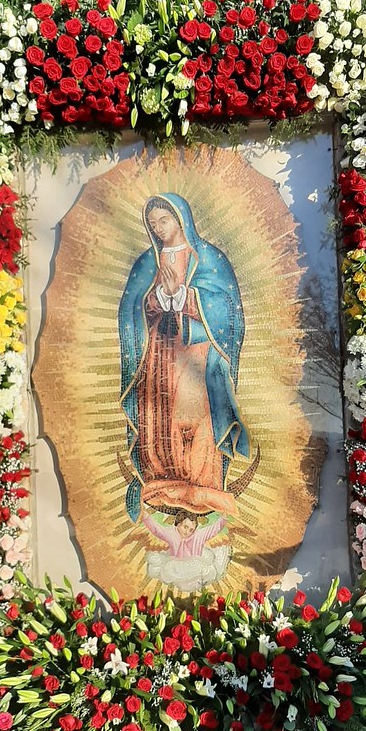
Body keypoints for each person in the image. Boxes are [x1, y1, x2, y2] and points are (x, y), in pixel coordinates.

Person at [118, 193, 250, 523]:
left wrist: (186, 295)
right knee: (158, 413)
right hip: (159, 351)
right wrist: (157, 298)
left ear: (181, 218)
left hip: (194, 352)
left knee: (194, 413)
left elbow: (227, 308)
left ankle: (202, 480)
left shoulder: (207, 258)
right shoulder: (148, 263)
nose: (159, 228)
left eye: (164, 220)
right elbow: (132, 310)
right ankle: (161, 476)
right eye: (153, 224)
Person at [142, 508, 231, 592]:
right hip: (176, 568)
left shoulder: (198, 535)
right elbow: (157, 529)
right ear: (178, 524)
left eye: (191, 530)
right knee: (165, 569)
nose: (188, 532)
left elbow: (214, 529)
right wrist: (145, 516)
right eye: (185, 527)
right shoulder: (171, 533)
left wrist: (224, 518)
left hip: (195, 568)